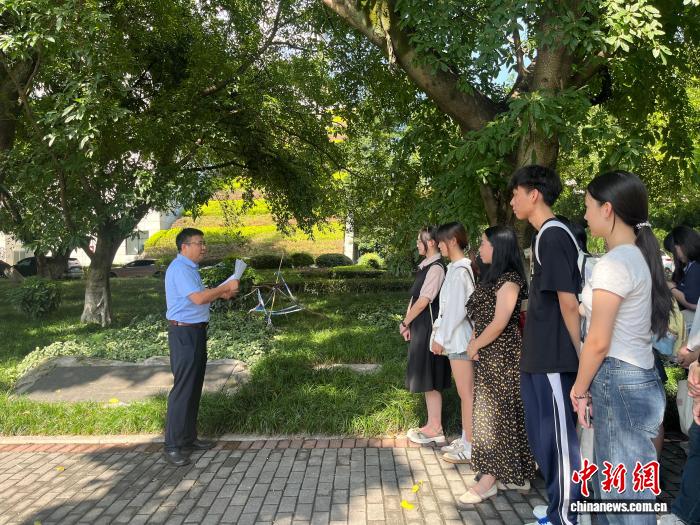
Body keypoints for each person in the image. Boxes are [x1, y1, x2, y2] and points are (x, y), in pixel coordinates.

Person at [571, 171, 671, 525]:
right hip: (635, 378)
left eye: (588, 206)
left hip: (618, 379)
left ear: (608, 209)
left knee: (623, 499)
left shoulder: (616, 263)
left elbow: (598, 342)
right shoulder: (635, 257)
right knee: (620, 493)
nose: (585, 215)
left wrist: (579, 389)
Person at [509, 165, 582, 525]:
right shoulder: (544, 236)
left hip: (554, 357)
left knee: (559, 442)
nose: (512, 202)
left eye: (515, 194)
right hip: (539, 357)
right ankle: (557, 507)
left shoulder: (553, 236)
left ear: (533, 194)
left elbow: (569, 303)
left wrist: (582, 356)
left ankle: (566, 515)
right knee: (544, 441)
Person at [457, 226, 536, 505]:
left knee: (495, 416)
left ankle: (489, 479)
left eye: (483, 243)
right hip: (488, 354)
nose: (479, 248)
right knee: (493, 414)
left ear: (498, 247)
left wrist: (476, 345)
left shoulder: (510, 280)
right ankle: (513, 474)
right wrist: (475, 342)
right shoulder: (493, 278)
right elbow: (482, 318)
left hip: (503, 357)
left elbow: (501, 321)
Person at [163, 227, 239, 466]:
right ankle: (173, 446)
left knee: (194, 386)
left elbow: (200, 296)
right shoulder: (179, 268)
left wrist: (221, 294)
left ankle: (188, 438)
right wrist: (225, 287)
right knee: (183, 388)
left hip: (195, 331)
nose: (203, 248)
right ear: (184, 247)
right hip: (183, 333)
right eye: (199, 243)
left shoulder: (190, 269)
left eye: (204, 243)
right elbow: (198, 298)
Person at [430, 222, 476, 464]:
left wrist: (440, 338)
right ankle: (466, 438)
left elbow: (456, 311)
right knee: (465, 394)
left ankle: (470, 446)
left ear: (453, 241)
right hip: (456, 339)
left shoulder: (460, 271)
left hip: (459, 340)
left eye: (441, 241)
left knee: (467, 394)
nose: (439, 245)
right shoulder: (455, 268)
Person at [401, 227, 451, 445]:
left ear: (430, 242)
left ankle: (436, 428)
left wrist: (405, 322)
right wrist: (407, 323)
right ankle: (432, 424)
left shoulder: (437, 268)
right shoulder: (426, 266)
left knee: (431, 376)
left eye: (418, 240)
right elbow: (415, 298)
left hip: (430, 329)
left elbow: (424, 301)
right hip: (420, 327)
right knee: (426, 375)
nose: (416, 244)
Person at [665, 226, 700, 326]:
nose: (675, 256)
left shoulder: (696, 266)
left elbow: (693, 303)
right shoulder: (690, 264)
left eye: (674, 250)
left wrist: (671, 288)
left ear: (683, 244)